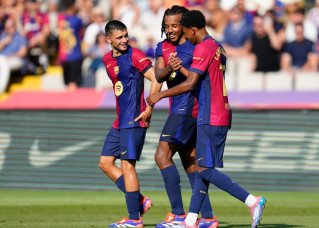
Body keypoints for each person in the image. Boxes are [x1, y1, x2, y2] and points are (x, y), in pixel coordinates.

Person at [146, 10, 266, 228]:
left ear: (191, 29)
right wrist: (177, 67)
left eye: (182, 29)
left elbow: (191, 83)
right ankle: (197, 219)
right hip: (211, 111)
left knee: (200, 168)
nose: (180, 34)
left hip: (209, 112)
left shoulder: (201, 47)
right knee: (197, 166)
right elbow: (198, 76)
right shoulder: (217, 46)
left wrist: (159, 94)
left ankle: (251, 200)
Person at [154, 5, 217, 228]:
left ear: (184, 26)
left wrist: (178, 69)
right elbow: (158, 74)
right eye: (167, 25)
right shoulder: (162, 46)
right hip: (177, 109)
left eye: (175, 25)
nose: (170, 29)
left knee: (162, 156)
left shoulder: (194, 46)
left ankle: (179, 215)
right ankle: (208, 218)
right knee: (191, 163)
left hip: (189, 109)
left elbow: (194, 81)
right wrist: (169, 66)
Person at [100, 20, 161, 227]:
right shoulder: (107, 59)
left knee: (127, 166)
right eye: (120, 37)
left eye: (126, 35)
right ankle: (140, 200)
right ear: (108, 40)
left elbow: (156, 79)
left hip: (134, 120)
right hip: (119, 122)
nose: (125, 40)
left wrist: (149, 108)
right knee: (105, 163)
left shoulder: (135, 55)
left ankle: (134, 219)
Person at [57, 0, 84, 91]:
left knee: (68, 85)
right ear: (73, 6)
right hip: (75, 56)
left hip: (64, 57)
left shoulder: (60, 19)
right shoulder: (77, 20)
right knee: (73, 86)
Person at [0, 17, 27, 95]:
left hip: (16, 59)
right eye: (8, 26)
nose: (10, 28)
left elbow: (23, 52)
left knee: (5, 63)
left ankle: (0, 90)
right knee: (3, 61)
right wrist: (4, 43)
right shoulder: (2, 36)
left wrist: (12, 55)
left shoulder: (20, 37)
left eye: (12, 26)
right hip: (2, 59)